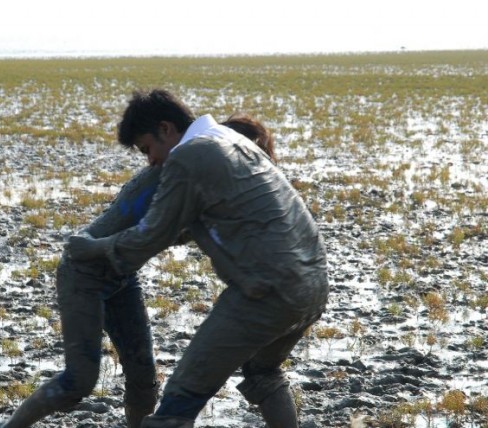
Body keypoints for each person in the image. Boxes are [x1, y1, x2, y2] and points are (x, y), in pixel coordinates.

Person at [0, 98, 277, 427]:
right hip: (83, 272)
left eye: (146, 150)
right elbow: (157, 234)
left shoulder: (197, 165)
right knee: (78, 381)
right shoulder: (183, 169)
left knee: (143, 379)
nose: (151, 160)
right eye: (145, 151)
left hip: (121, 274)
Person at [67, 89, 329, 428]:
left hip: (265, 292)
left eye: (148, 148)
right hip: (313, 285)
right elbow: (205, 221)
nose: (150, 161)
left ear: (166, 128)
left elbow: (149, 236)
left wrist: (92, 246)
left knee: (178, 402)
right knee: (262, 371)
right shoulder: (233, 140)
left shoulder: (188, 156)